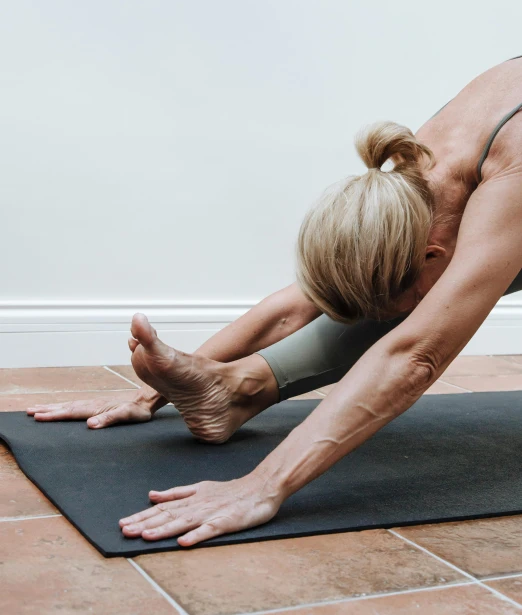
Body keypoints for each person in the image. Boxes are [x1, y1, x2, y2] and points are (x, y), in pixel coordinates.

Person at [27, 56, 522, 548]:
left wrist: (263, 487)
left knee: (425, 308)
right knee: (394, 290)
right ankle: (238, 391)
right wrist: (150, 397)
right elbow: (302, 301)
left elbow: (417, 355)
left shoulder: (507, 172)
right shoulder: (415, 172)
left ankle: (245, 387)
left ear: (433, 254)